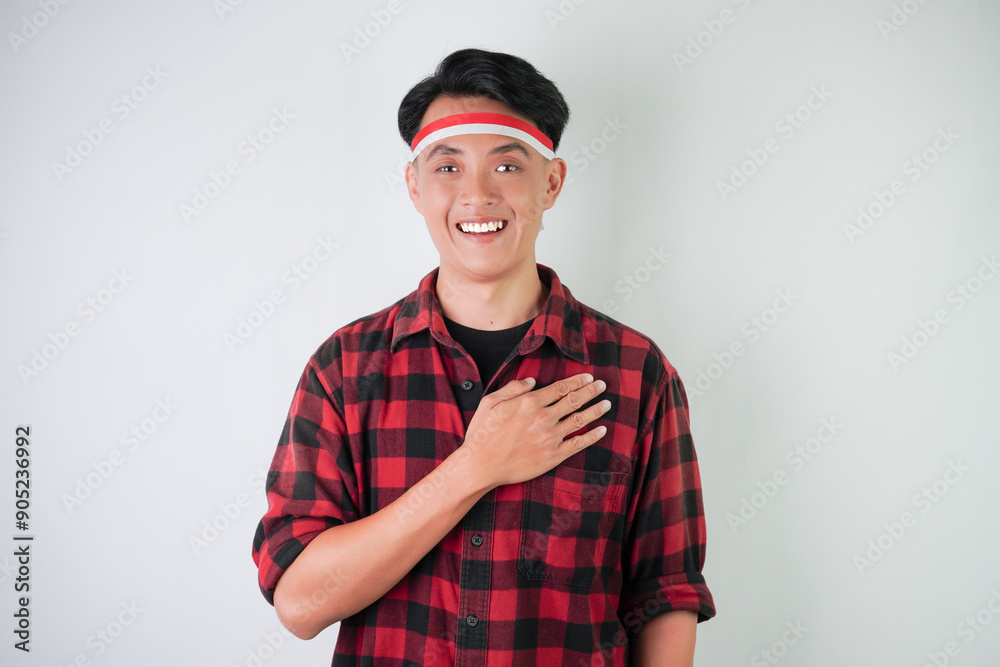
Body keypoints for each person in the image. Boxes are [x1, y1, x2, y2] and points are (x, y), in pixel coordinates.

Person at [252, 47, 715, 666]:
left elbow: (664, 596)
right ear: (415, 186)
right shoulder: (344, 370)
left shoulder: (635, 373)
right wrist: (475, 467)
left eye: (506, 166)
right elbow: (301, 604)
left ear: (550, 183)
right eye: (447, 168)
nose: (476, 195)